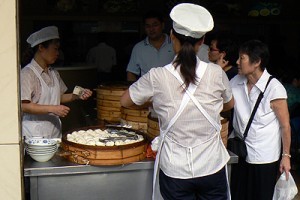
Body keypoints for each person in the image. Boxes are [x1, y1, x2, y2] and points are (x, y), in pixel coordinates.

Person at [121, 3, 234, 199]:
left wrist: (156, 103)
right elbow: (229, 104)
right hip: (211, 166)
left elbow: (125, 101)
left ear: (171, 35)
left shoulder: (156, 76)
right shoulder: (216, 73)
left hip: (175, 170)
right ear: (203, 41)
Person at [229, 40, 291, 200]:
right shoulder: (236, 81)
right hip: (241, 152)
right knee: (238, 195)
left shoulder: (274, 88)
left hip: (264, 157)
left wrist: (286, 156)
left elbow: (285, 126)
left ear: (256, 62)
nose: (237, 62)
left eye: (241, 58)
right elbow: (222, 104)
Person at [20, 26, 93, 139]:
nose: (58, 53)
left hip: (54, 132)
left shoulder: (54, 72)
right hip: (34, 135)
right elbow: (24, 106)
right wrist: (53, 109)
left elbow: (59, 97)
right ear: (41, 47)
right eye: (55, 49)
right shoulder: (27, 73)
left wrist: (77, 95)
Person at [126, 10, 175, 82]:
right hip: (147, 91)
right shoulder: (139, 48)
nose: (151, 29)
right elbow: (131, 72)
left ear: (163, 25)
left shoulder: (175, 44)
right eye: (148, 26)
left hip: (171, 90)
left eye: (155, 25)